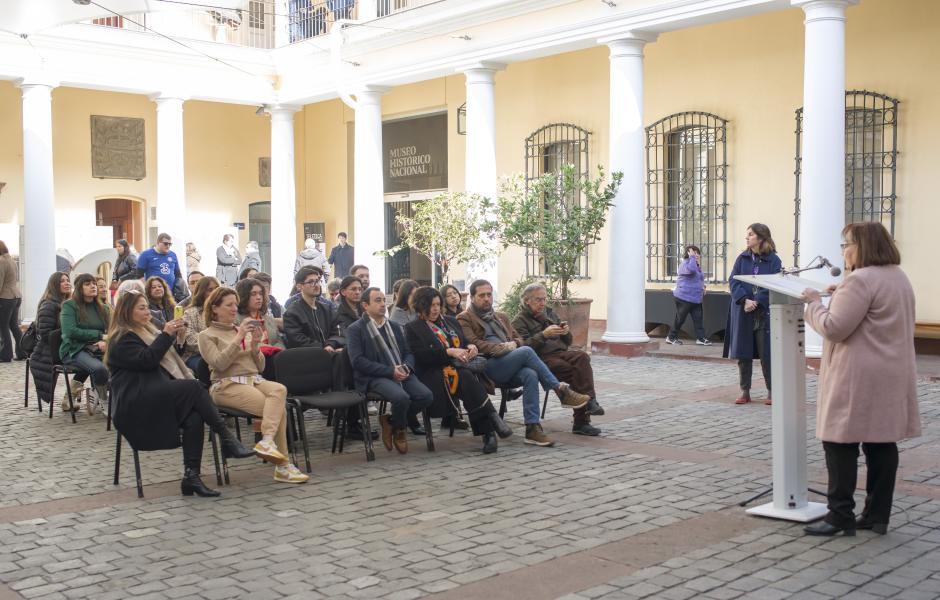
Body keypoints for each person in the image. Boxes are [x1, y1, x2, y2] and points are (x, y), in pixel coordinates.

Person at [801, 222, 921, 537]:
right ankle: (876, 515)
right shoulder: (898, 276)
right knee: (881, 442)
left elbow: (834, 328)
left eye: (847, 244)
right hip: (890, 372)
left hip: (857, 375)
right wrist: (839, 293)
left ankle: (840, 516)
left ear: (862, 247)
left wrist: (813, 303)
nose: (843, 250)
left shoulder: (860, 280)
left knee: (839, 441)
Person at [106, 290, 255, 498]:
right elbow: (148, 360)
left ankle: (191, 477)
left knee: (194, 418)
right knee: (193, 387)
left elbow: (163, 359)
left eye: (147, 306)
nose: (147, 311)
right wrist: (166, 334)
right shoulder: (121, 338)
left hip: (155, 392)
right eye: (141, 308)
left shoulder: (148, 332)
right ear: (126, 312)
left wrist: (176, 337)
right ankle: (226, 438)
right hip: (135, 400)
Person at [458, 279, 591, 447]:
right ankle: (561, 390)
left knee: (531, 374)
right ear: (472, 297)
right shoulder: (464, 318)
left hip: (510, 362)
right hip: (489, 365)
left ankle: (532, 429)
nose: (486, 299)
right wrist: (502, 348)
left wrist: (514, 344)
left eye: (489, 295)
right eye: (482, 295)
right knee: (527, 351)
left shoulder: (501, 317)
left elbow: (518, 338)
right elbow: (475, 342)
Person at [198, 287, 308, 483]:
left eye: (235, 304)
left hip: (253, 379)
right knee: (277, 409)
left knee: (280, 389)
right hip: (226, 385)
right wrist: (239, 338)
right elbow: (219, 364)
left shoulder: (238, 329)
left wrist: (256, 346)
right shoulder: (207, 335)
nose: (234, 309)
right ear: (214, 308)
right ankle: (282, 465)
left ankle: (267, 442)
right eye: (229, 305)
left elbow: (260, 366)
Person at [405, 287, 512, 454]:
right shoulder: (413, 327)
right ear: (420, 306)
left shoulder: (450, 321)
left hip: (459, 368)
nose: (435, 309)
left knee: (466, 379)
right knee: (467, 379)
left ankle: (490, 430)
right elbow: (421, 356)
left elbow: (462, 342)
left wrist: (470, 347)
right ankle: (491, 425)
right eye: (431, 305)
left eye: (438, 305)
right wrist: (449, 352)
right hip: (433, 372)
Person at [346, 287, 434, 454]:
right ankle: (400, 431)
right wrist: (390, 371)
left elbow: (408, 352)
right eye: (377, 301)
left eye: (383, 300)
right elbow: (358, 361)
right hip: (374, 376)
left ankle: (391, 422)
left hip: (400, 371)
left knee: (426, 396)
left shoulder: (394, 326)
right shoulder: (356, 329)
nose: (383, 304)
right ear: (365, 305)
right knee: (401, 398)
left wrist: (406, 367)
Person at [512, 283, 605, 437]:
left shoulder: (550, 313)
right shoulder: (519, 321)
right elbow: (524, 348)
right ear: (527, 301)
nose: (542, 303)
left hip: (561, 352)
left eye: (544, 299)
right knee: (569, 370)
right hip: (540, 358)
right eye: (538, 300)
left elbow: (568, 342)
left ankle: (590, 402)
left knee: (582, 357)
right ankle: (582, 419)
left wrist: (565, 332)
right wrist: (544, 335)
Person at [723, 223, 781, 406]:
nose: (747, 238)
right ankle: (745, 391)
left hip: (763, 313)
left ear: (761, 237)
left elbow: (775, 283)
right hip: (743, 311)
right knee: (743, 353)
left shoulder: (774, 260)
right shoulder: (742, 258)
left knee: (767, 354)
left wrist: (757, 300)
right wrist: (744, 300)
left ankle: (772, 391)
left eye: (750, 235)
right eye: (747, 234)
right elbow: (733, 280)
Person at [59, 273, 112, 414]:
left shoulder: (103, 308)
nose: (93, 286)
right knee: (99, 369)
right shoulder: (69, 306)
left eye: (94, 283)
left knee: (122, 363)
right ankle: (104, 401)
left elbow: (113, 329)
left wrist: (104, 340)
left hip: (97, 349)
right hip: (74, 350)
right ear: (79, 288)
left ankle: (110, 396)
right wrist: (99, 336)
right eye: (87, 284)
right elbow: (70, 331)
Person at [29, 272, 72, 407]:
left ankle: (72, 396)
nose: (67, 283)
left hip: (64, 345)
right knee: (87, 364)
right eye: (62, 281)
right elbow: (46, 335)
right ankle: (70, 398)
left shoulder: (66, 303)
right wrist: (69, 331)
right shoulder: (48, 305)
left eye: (67, 280)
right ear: (54, 285)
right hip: (48, 350)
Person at [235, 278, 285, 379]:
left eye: (261, 294)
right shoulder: (235, 318)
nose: (259, 297)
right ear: (244, 296)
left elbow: (278, 341)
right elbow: (240, 344)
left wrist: (276, 350)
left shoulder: (268, 319)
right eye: (253, 294)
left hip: (273, 357)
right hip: (250, 359)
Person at [283, 266, 339, 351]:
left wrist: (331, 345)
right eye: (311, 282)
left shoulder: (327, 309)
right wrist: (323, 348)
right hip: (308, 357)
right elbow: (297, 340)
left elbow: (336, 332)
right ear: (299, 286)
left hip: (330, 353)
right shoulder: (292, 313)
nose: (316, 285)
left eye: (317, 281)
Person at [667, 245, 710, 346]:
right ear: (688, 254)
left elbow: (697, 278)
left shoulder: (696, 265)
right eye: (694, 252)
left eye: (697, 253)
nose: (697, 255)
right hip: (684, 298)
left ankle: (700, 338)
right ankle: (671, 337)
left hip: (696, 299)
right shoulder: (685, 264)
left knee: (698, 319)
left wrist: (703, 287)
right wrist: (692, 257)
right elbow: (691, 270)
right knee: (680, 319)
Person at [180, 276, 219, 371]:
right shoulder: (190, 312)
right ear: (202, 292)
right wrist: (214, 345)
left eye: (216, 289)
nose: (214, 293)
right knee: (206, 364)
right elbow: (190, 339)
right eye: (210, 290)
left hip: (220, 351)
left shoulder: (223, 310)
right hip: (195, 355)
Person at [134, 233, 185, 300]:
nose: (168, 246)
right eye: (165, 244)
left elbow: (178, 274)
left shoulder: (173, 255)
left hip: (170, 293)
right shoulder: (146, 254)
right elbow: (139, 274)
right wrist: (146, 288)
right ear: (158, 243)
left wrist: (179, 288)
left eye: (170, 244)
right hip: (153, 293)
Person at [0, 241, 24, 362]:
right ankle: (22, 352)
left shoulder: (1, 261)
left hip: (5, 297)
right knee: (13, 325)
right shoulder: (12, 261)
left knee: (2, 326)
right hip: (16, 296)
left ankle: (5, 355)